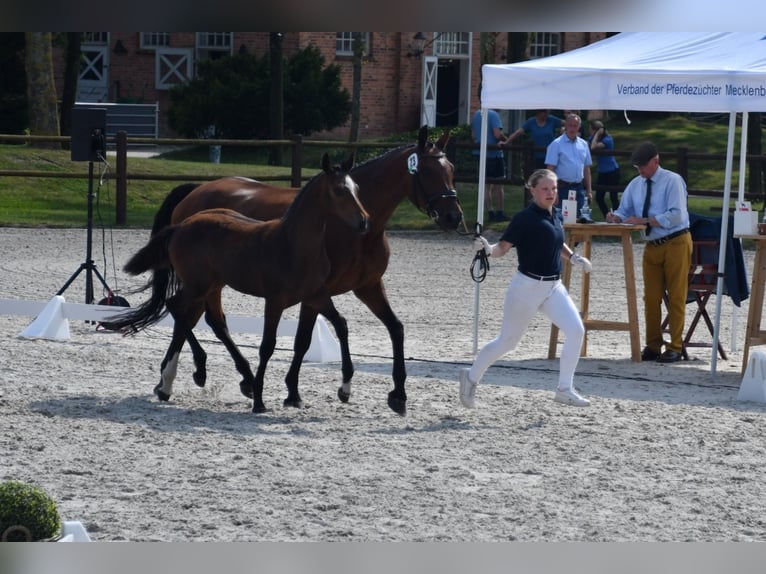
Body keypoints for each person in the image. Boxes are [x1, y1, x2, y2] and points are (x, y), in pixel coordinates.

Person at [459, 168, 593, 409]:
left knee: (576, 330)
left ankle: (564, 388)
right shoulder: (524, 218)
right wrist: (488, 248)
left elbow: (556, 240)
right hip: (527, 287)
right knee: (507, 343)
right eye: (545, 189)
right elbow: (503, 248)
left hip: (553, 286)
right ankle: (470, 378)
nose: (551, 193)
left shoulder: (555, 214)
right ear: (533, 190)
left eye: (553, 189)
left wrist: (573, 257)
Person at [606, 142, 691, 363]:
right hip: (652, 244)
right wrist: (616, 216)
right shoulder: (636, 184)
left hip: (676, 241)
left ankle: (675, 346)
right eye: (637, 167)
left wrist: (644, 220)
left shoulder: (672, 181)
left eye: (643, 166)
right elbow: (625, 210)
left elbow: (676, 215)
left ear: (656, 161)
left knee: (676, 295)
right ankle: (653, 345)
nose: (641, 171)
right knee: (650, 298)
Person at [545, 113, 593, 218]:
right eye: (570, 125)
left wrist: (589, 190)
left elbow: (586, 169)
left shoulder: (584, 144)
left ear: (579, 127)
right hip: (562, 188)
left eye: (575, 126)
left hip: (579, 188)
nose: (572, 128)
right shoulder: (556, 144)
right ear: (565, 126)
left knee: (582, 220)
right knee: (562, 220)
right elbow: (550, 170)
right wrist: (553, 191)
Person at [471, 108, 510, 222]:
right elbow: (497, 134)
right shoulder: (493, 115)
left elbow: (473, 135)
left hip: (480, 153)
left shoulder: (477, 113)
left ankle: (490, 212)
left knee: (485, 185)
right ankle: (500, 212)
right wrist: (506, 140)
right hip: (494, 154)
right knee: (499, 185)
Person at [588, 120, 621, 219]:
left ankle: (618, 218)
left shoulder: (607, 140)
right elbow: (586, 144)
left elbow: (593, 147)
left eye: (591, 129)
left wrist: (597, 134)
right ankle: (607, 216)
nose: (589, 131)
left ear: (596, 130)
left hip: (612, 171)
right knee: (599, 197)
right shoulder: (593, 138)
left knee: (613, 197)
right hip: (602, 172)